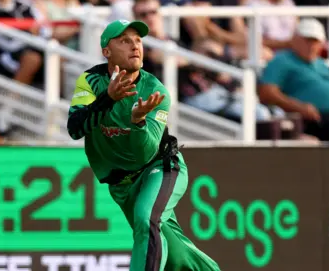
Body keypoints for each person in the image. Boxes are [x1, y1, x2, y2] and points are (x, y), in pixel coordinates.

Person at [67, 19, 220, 271]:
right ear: (107, 51)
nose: (135, 46)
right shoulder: (91, 81)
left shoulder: (155, 90)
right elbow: (75, 128)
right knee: (177, 256)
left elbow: (145, 152)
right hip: (121, 184)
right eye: (125, 40)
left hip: (160, 168)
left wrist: (137, 121)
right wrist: (107, 99)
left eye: (138, 40)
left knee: (146, 218)